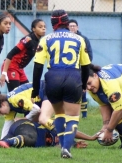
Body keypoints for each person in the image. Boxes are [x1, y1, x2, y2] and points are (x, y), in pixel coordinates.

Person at [31, 9, 91, 158]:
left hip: (53, 77)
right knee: (72, 116)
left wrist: (35, 90)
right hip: (73, 76)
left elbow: (38, 66)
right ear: (67, 21)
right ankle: (66, 148)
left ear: (52, 24)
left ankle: (63, 147)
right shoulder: (79, 39)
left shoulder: (46, 39)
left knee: (59, 115)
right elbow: (85, 66)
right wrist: (83, 85)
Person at [87, 63, 122, 149]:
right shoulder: (93, 87)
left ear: (95, 75)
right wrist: (106, 125)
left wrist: (109, 130)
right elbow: (104, 105)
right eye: (85, 86)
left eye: (89, 83)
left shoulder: (110, 84)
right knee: (114, 115)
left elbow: (120, 109)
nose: (88, 87)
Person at [0, 118, 98, 149]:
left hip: (18, 132)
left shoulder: (63, 143)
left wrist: (73, 145)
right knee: (30, 139)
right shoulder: (57, 127)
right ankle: (7, 141)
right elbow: (72, 131)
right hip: (25, 126)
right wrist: (91, 138)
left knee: (1, 143)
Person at [0, 19, 46, 92]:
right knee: (15, 95)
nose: (43, 28)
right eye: (40, 27)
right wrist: (4, 73)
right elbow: (10, 54)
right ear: (34, 29)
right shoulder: (28, 40)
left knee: (28, 92)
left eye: (44, 27)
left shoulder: (39, 42)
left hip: (20, 69)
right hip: (11, 67)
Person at [68, 19, 93, 118]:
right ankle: (71, 112)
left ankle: (84, 115)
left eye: (74, 26)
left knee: (83, 91)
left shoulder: (83, 39)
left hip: (81, 69)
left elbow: (89, 54)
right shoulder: (66, 39)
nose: (72, 28)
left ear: (77, 27)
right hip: (69, 69)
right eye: (70, 26)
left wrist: (85, 66)